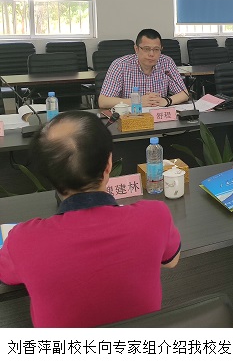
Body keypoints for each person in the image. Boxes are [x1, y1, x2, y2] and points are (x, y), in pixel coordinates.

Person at [0, 111, 181, 327]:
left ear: (47, 175)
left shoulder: (23, 240)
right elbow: (171, 261)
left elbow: (6, 275)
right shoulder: (154, 216)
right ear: (108, 164)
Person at [98, 28, 188, 109]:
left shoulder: (167, 62)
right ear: (136, 49)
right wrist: (137, 101)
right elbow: (103, 101)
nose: (151, 54)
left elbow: (184, 94)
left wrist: (166, 101)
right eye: (146, 49)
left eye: (156, 49)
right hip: (131, 116)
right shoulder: (120, 65)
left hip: (158, 115)